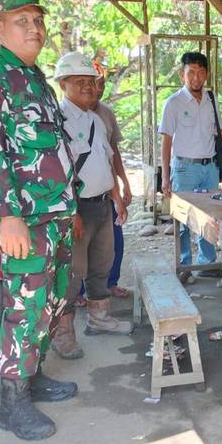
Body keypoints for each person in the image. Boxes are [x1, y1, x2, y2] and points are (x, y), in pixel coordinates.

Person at [0, 0, 77, 441]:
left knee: (52, 301)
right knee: (25, 306)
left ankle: (33, 377)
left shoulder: (37, 82)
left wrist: (70, 208)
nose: (34, 28)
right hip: (25, 221)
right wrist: (6, 216)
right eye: (21, 21)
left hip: (56, 215)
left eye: (38, 20)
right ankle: (11, 405)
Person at [50, 51, 132, 363]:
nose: (87, 86)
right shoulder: (57, 121)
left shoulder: (96, 119)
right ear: (63, 84)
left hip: (102, 205)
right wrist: (71, 212)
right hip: (77, 209)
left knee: (101, 266)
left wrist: (116, 196)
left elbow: (105, 161)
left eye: (90, 81)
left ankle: (99, 319)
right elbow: (56, 173)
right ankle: (63, 334)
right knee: (72, 273)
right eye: (79, 81)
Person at [159, 51, 222, 279]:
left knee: (209, 217)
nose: (196, 77)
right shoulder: (173, 103)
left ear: (207, 75)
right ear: (182, 75)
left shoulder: (211, 100)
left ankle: (207, 263)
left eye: (201, 72)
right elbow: (166, 141)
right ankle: (184, 265)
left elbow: (219, 132)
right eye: (191, 72)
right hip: (185, 169)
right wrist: (165, 177)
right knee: (183, 219)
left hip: (210, 168)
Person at [92, 62, 132, 299]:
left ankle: (111, 282)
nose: (98, 90)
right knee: (86, 244)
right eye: (94, 84)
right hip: (83, 191)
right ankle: (82, 291)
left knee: (115, 239)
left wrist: (124, 182)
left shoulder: (106, 113)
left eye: (102, 85)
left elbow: (114, 152)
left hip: (108, 186)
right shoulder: (66, 114)